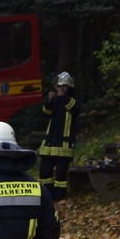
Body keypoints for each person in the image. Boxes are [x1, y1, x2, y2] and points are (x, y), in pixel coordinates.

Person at [37, 71, 79, 201]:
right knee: (44, 172)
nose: (61, 89)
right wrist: (49, 100)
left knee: (61, 176)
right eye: (59, 86)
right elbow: (46, 111)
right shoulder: (55, 100)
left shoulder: (73, 101)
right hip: (49, 143)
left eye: (64, 86)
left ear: (69, 87)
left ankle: (59, 198)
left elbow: (74, 109)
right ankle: (47, 198)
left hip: (64, 145)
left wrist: (62, 96)